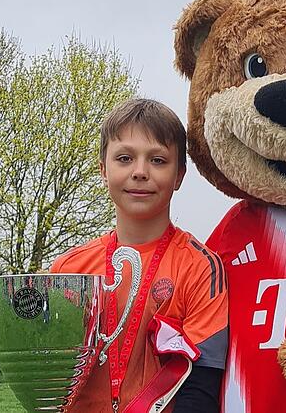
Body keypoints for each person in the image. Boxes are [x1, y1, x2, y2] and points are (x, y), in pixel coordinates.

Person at [51, 98, 227, 413]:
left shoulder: (201, 267)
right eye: (125, 158)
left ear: (179, 175)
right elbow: (51, 376)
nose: (140, 172)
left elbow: (201, 389)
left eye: (158, 160)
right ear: (103, 170)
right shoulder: (68, 269)